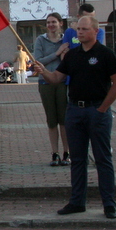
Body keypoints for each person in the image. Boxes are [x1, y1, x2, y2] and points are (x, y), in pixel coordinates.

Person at [34, 16, 116, 219]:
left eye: (84, 29)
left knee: (102, 159)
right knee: (77, 160)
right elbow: (57, 78)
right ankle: (77, 202)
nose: (79, 32)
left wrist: (102, 108)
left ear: (94, 31)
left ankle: (109, 204)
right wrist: (43, 72)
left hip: (96, 111)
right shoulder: (72, 55)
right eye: (78, 29)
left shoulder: (105, 54)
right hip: (74, 110)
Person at [34, 12, 70, 166]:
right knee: (51, 120)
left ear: (60, 23)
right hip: (45, 83)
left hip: (62, 83)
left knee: (64, 120)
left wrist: (64, 53)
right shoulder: (41, 40)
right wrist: (56, 53)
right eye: (48, 22)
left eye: (54, 22)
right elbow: (39, 61)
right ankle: (54, 152)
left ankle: (66, 153)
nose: (51, 25)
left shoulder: (66, 41)